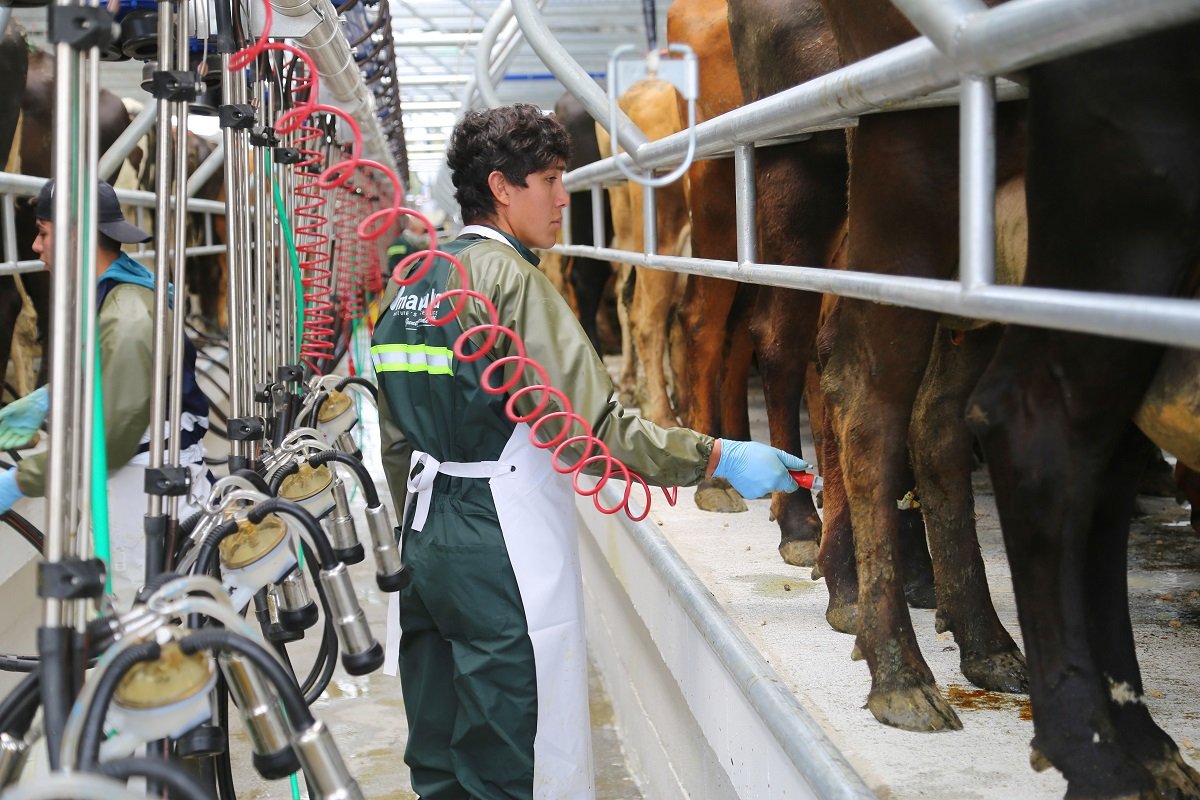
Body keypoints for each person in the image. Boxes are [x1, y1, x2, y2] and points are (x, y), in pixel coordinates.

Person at [371, 104, 806, 800]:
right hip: (498, 535)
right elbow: (592, 427)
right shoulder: (509, 280)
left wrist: (427, 528)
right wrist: (716, 457)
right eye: (549, 179)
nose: (565, 197)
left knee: (439, 739)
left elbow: (394, 434)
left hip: (425, 528)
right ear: (503, 187)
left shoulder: (414, 281)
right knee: (512, 745)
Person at [0, 179, 213, 609]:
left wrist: (20, 480)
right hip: (144, 488)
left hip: (147, 499)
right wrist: (47, 401)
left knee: (145, 646)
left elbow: (111, 443)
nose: (36, 246)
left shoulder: (127, 315)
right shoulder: (117, 297)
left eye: (43, 232)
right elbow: (110, 376)